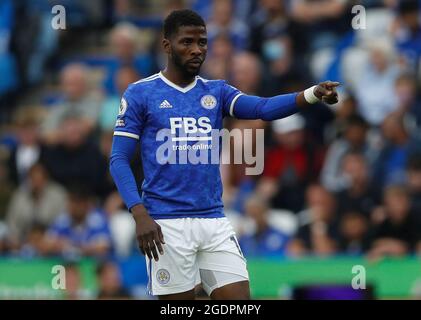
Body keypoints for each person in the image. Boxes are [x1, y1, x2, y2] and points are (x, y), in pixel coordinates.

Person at [110, 9, 339, 300]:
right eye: (187, 42)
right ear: (167, 46)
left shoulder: (216, 91)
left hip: (214, 219)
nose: (197, 50)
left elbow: (262, 108)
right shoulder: (140, 93)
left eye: (202, 42)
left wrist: (311, 94)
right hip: (166, 223)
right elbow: (118, 159)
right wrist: (138, 212)